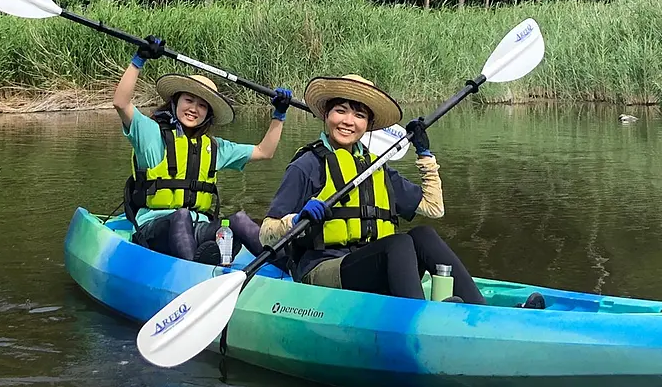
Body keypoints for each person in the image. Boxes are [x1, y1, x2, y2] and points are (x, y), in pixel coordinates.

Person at [259, 74, 487, 304]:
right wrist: (295, 220)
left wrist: (424, 154)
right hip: (323, 270)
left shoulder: (375, 166)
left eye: (359, 115)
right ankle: (417, 317)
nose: (348, 121)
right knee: (398, 243)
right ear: (327, 115)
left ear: (368, 125)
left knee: (423, 235)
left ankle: (479, 309)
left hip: (374, 264)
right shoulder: (306, 164)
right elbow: (265, 234)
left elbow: (434, 208)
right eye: (340, 111)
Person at [113, 36, 292, 264]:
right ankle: (194, 273)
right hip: (153, 229)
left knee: (237, 220)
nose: (194, 109)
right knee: (181, 216)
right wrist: (139, 59)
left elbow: (264, 151)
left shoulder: (215, 147)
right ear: (175, 101)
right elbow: (121, 103)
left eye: (202, 105)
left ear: (208, 114)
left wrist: (279, 114)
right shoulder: (151, 134)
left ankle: (286, 266)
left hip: (199, 229)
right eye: (189, 100)